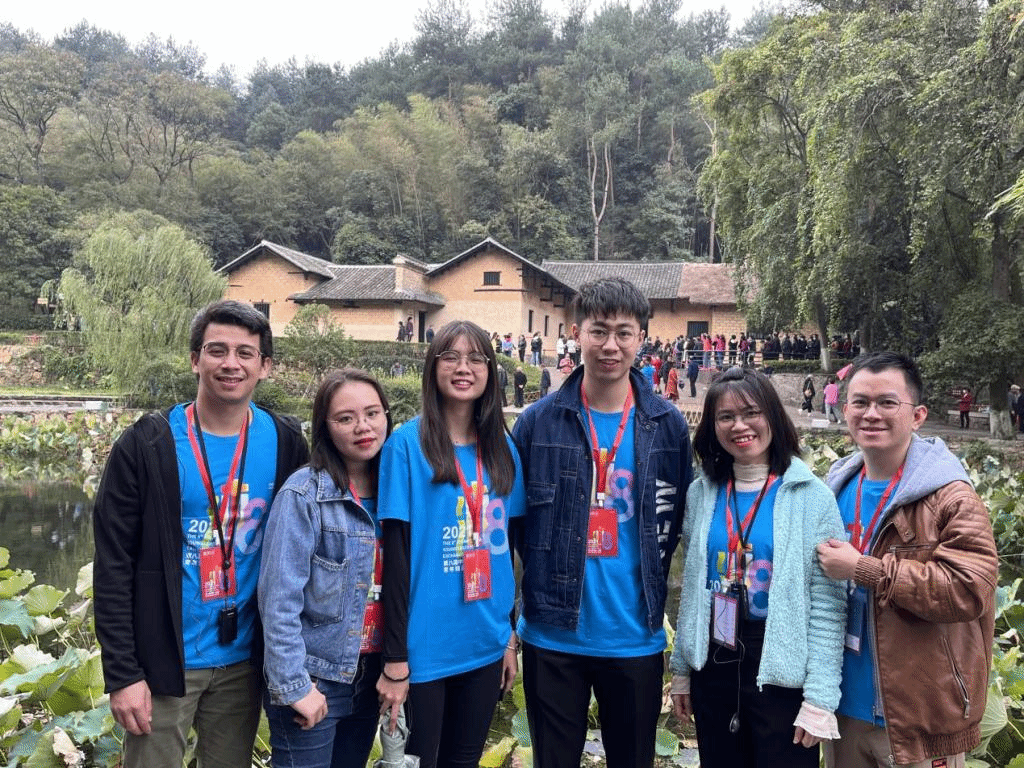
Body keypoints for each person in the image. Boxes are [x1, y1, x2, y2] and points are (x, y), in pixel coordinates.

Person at [93, 300, 309, 768]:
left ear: (265, 366)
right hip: (163, 662)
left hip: (242, 662)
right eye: (217, 350)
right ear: (195, 359)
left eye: (245, 353)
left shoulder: (286, 442)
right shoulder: (146, 444)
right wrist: (123, 674)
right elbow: (113, 566)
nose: (231, 363)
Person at [512, 277, 693, 768]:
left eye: (623, 332)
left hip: (634, 636)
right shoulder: (537, 423)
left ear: (641, 338)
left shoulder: (668, 426)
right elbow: (513, 530)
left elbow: (677, 522)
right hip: (552, 636)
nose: (611, 345)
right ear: (576, 334)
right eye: (599, 331)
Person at [816, 352, 997, 768]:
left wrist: (865, 569)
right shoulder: (833, 488)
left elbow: (970, 590)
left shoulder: (951, 497)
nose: (871, 414)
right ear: (845, 410)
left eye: (887, 403)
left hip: (918, 719)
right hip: (841, 709)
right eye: (860, 402)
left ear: (917, 416)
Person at [670, 366, 846, 768]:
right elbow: (693, 591)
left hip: (780, 662)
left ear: (773, 417)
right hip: (715, 656)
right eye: (726, 417)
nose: (740, 426)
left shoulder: (811, 496)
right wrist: (682, 669)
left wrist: (820, 699)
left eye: (751, 413)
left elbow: (828, 605)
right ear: (713, 426)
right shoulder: (701, 492)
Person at [376, 321, 525, 768]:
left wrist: (509, 636)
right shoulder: (405, 445)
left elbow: (508, 552)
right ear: (432, 367)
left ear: (490, 372)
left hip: (485, 642)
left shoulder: (504, 449)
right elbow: (395, 560)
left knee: (464, 760)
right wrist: (395, 660)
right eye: (451, 357)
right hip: (424, 648)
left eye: (476, 359)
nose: (464, 368)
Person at [259, 369, 392, 768]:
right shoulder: (304, 494)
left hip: (373, 676)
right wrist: (295, 686)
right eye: (345, 418)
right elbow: (278, 600)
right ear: (325, 427)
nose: (363, 427)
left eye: (372, 413)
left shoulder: (397, 490)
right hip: (317, 677)